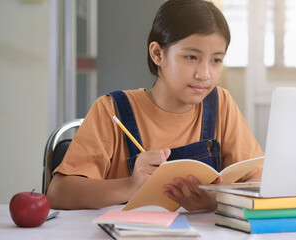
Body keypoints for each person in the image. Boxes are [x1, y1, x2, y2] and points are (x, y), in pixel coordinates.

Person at [46, 0, 264, 211]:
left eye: (216, 60)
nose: (205, 74)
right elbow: (59, 193)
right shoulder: (111, 110)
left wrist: (217, 200)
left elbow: (260, 178)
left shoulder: (221, 104)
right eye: (191, 57)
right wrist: (130, 186)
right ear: (158, 54)